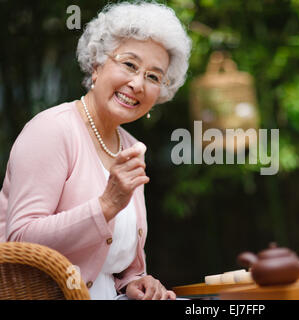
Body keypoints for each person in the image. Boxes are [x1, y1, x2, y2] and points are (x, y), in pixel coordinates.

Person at [0, 1, 191, 300]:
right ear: (97, 64)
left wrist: (135, 281)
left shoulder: (130, 147)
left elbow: (112, 261)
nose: (137, 83)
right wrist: (105, 205)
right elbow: (20, 242)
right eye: (129, 64)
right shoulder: (52, 130)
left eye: (153, 76)